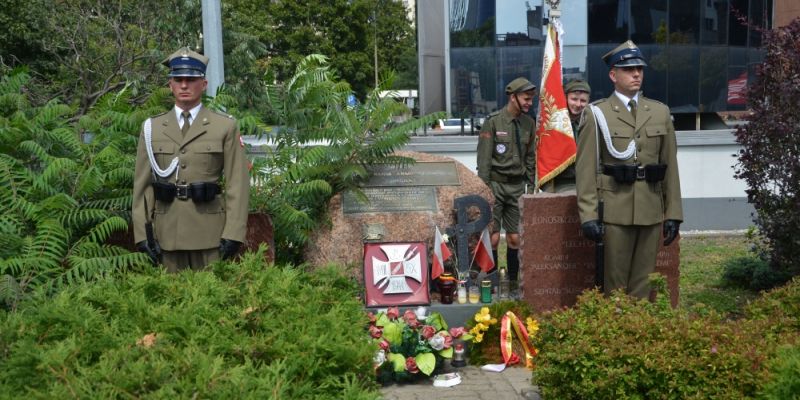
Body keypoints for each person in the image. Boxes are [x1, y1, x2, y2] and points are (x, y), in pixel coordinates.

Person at [576, 40, 682, 299]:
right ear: (613, 75)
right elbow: (586, 169)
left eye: (640, 69)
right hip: (615, 208)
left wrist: (673, 213)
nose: (636, 74)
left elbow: (670, 165)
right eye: (629, 69)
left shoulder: (659, 112)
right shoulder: (597, 113)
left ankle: (639, 331)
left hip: (650, 208)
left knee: (644, 281)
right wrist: (588, 215)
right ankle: (616, 329)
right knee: (615, 282)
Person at [132, 47, 250, 272]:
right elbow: (142, 187)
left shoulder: (224, 126)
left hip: (211, 235)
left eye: (191, 79)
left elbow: (238, 184)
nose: (184, 85)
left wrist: (234, 234)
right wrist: (142, 234)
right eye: (178, 79)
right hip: (166, 235)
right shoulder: (151, 128)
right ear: (170, 85)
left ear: (203, 84)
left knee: (210, 301)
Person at [476, 77, 537, 285]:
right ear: (513, 97)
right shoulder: (493, 122)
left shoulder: (529, 123)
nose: (530, 103)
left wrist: (530, 184)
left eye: (531, 99)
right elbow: (483, 160)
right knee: (493, 237)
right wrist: (483, 190)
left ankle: (512, 283)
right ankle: (492, 283)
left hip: (517, 186)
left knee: (514, 238)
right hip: (495, 185)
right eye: (526, 98)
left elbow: (530, 157)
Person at [543, 79, 591, 193]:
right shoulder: (554, 125)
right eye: (574, 99)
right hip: (561, 183)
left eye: (583, 101)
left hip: (586, 181)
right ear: (565, 98)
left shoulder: (591, 122)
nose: (578, 104)